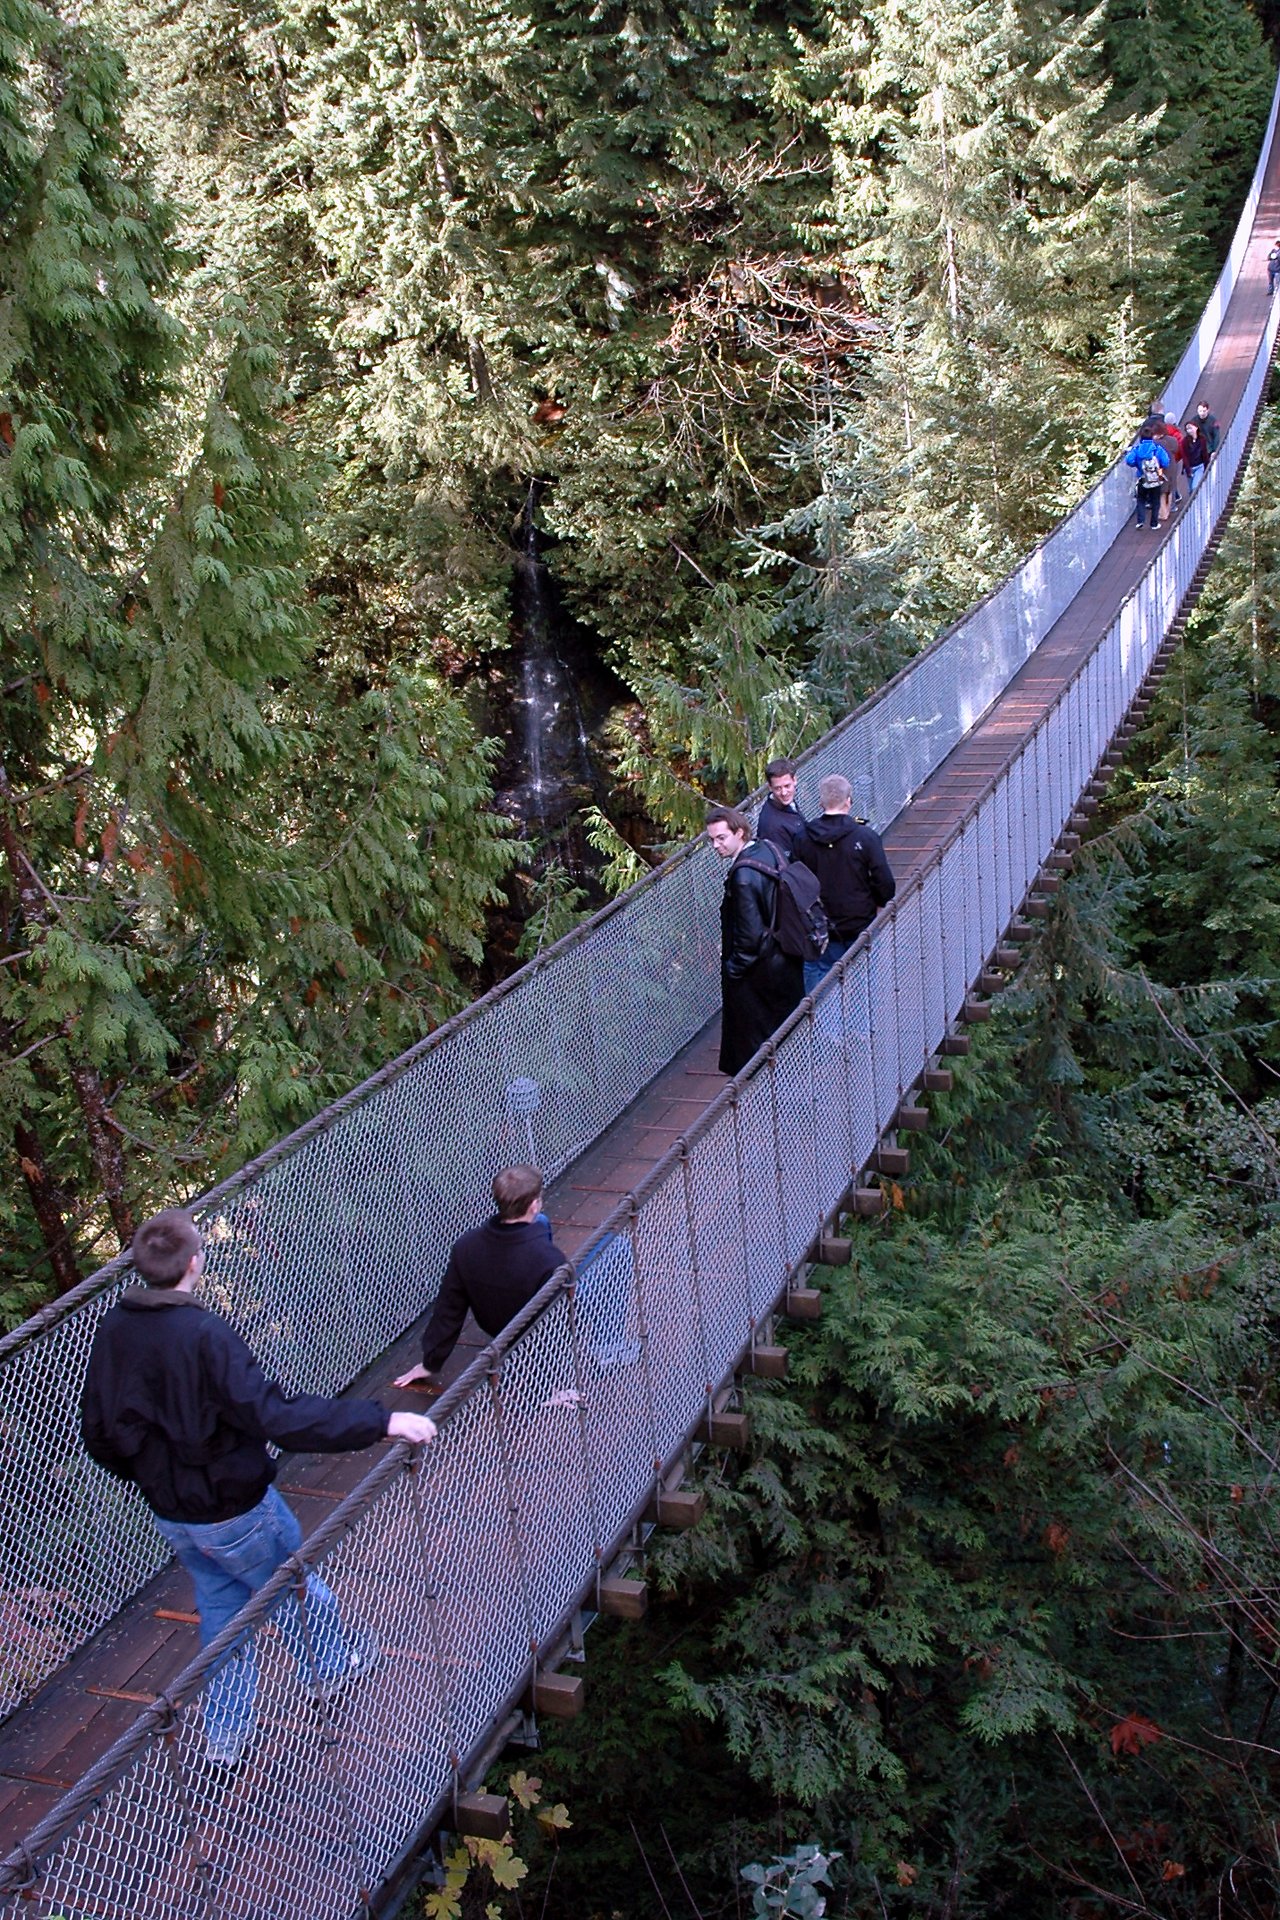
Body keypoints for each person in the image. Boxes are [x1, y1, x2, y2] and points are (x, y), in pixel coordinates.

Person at [80, 1209, 438, 1769]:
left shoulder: (115, 1329)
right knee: (291, 1583)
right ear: (195, 1261)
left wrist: (154, 1478)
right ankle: (334, 1664)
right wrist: (382, 1422)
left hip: (175, 1516)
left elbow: (99, 1433)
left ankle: (226, 1736)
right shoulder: (204, 1335)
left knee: (224, 1617)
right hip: (234, 1509)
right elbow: (275, 1416)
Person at [394, 1165, 567, 1389]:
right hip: (532, 1334)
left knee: (541, 1221)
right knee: (616, 1248)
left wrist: (430, 1363)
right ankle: (604, 1347)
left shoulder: (466, 1246)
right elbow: (560, 1316)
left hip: (496, 1323)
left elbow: (449, 1308)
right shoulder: (551, 1260)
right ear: (533, 1204)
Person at [706, 806, 804, 1075]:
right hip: (786, 957)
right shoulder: (768, 849)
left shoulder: (743, 877)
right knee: (786, 1034)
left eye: (721, 838)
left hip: (761, 972)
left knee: (757, 1042)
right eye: (712, 839)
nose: (716, 845)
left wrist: (733, 970)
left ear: (739, 833)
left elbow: (750, 937)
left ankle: (766, 1095)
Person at [791, 773, 896, 993]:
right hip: (859, 922)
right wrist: (879, 903)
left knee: (822, 985)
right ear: (849, 800)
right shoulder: (866, 837)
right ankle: (861, 1026)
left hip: (820, 926)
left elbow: (795, 882)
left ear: (821, 802)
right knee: (863, 984)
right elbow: (884, 881)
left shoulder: (802, 839)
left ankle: (823, 1027)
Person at [755, 757, 807, 859]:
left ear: (794, 780)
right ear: (770, 787)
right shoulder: (772, 826)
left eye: (787, 786)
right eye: (778, 788)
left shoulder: (787, 804)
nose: (784, 793)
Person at [1125, 425, 1169, 530]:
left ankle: (1140, 521)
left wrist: (1137, 464)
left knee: (1141, 499)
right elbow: (1166, 462)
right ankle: (1154, 524)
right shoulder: (1157, 449)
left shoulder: (1137, 449)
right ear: (1152, 436)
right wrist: (1159, 467)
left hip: (1142, 478)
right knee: (1155, 501)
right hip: (1155, 479)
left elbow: (1129, 460)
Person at [1160, 413, 1185, 513]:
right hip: (1174, 461)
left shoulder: (1161, 433)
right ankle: (1172, 505)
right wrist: (1177, 459)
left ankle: (1164, 506)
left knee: (1163, 483)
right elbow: (1180, 448)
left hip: (1162, 463)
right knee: (1172, 483)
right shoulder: (1177, 434)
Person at [1181, 416, 1211, 493]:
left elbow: (1204, 453)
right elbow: (1184, 456)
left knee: (1195, 487)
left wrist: (1206, 466)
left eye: (1190, 428)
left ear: (1196, 427)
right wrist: (1188, 469)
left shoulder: (1202, 439)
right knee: (1191, 489)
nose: (1189, 430)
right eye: (1187, 429)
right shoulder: (1185, 441)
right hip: (1189, 467)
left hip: (1199, 466)